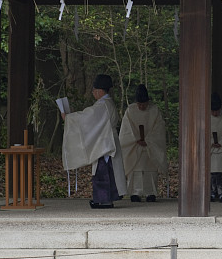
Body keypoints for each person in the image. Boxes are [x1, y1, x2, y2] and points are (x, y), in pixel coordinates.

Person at [62, 73, 127, 209]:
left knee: (103, 173)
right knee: (106, 172)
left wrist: (69, 118)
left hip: (104, 144)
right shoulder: (107, 104)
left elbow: (87, 118)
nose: (92, 93)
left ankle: (105, 200)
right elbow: (89, 117)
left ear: (99, 91)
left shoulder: (102, 106)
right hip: (106, 141)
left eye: (93, 90)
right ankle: (103, 199)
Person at [119, 84, 168, 202]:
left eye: (144, 104)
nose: (141, 106)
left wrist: (148, 140)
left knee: (149, 170)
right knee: (135, 171)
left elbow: (159, 128)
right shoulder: (130, 110)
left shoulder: (154, 110)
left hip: (150, 147)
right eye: (139, 104)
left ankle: (150, 192)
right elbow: (126, 129)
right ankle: (135, 193)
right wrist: (136, 138)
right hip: (135, 146)